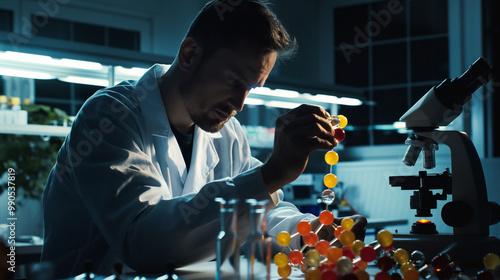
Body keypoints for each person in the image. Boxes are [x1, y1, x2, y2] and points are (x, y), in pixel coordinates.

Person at [41, 0, 367, 277]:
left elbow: (254, 212)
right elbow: (143, 245)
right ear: (189, 54)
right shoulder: (109, 118)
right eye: (233, 80)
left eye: (251, 88)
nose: (240, 104)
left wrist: (308, 232)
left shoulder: (226, 132)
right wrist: (271, 173)